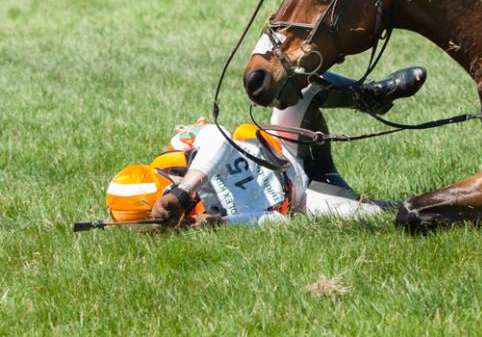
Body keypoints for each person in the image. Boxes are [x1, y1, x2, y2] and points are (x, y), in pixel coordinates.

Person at [105, 67, 427, 227]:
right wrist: (222, 225)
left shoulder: (180, 149)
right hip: (305, 199)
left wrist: (185, 189)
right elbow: (278, 222)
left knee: (298, 80)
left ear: (164, 179)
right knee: (373, 216)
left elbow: (219, 135)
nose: (169, 216)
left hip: (287, 145)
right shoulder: (199, 226)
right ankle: (435, 207)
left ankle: (371, 94)